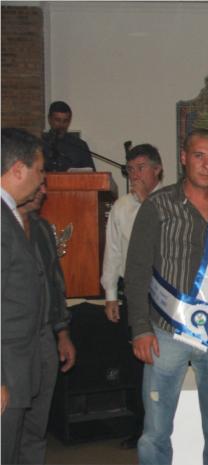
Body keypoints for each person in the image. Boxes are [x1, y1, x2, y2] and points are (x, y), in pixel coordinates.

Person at [124, 129, 208, 465]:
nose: (207, 164)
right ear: (184, 158)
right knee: (156, 430)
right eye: (199, 156)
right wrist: (140, 328)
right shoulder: (157, 206)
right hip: (164, 332)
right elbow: (137, 270)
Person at [100, 143, 164, 449]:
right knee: (137, 363)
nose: (135, 175)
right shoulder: (121, 207)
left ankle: (168, 425)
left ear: (157, 170)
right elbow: (113, 251)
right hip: (135, 294)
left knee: (166, 358)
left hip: (166, 294)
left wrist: (147, 203)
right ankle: (141, 427)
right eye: (130, 170)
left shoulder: (171, 203)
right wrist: (110, 293)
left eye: (141, 168)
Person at [17, 184, 77, 464]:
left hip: (43, 339)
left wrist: (62, 334)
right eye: (37, 180)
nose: (43, 189)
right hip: (10, 342)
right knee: (9, 426)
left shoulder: (41, 228)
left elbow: (55, 284)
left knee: (36, 427)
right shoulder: (5, 226)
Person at [1, 128, 46, 464]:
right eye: (39, 170)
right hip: (6, 370)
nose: (42, 179)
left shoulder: (9, 214)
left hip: (16, 367)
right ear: (18, 169)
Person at [42, 100, 96, 171]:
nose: (61, 125)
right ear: (49, 119)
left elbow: (91, 174)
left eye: (65, 121)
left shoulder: (80, 145)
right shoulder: (40, 145)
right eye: (57, 120)